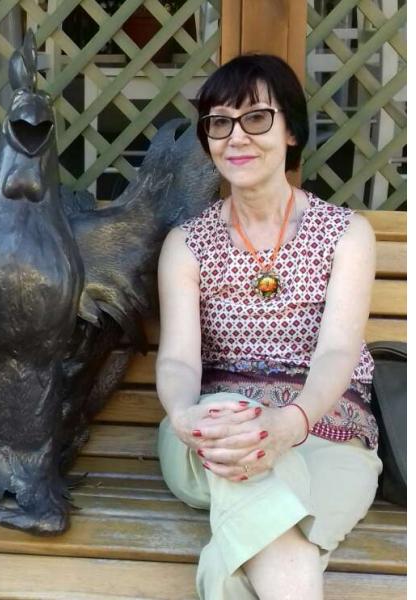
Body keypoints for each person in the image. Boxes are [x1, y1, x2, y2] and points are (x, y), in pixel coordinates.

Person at [156, 54, 382, 600]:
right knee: (244, 444)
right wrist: (183, 416)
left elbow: (337, 353)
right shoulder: (187, 245)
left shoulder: (346, 235)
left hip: (327, 430)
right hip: (214, 434)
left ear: (291, 131)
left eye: (256, 118)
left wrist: (291, 423)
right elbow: (179, 359)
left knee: (273, 538)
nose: (236, 136)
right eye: (220, 122)